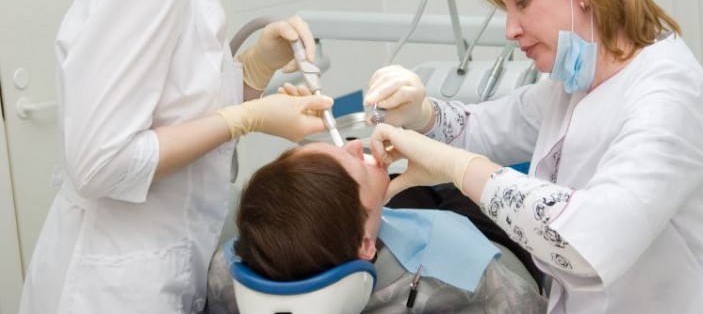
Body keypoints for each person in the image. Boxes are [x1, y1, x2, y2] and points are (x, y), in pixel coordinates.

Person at [19, 0, 355, 313]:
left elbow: (179, 121)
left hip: (155, 271)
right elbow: (98, 163)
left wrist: (254, 71)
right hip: (106, 288)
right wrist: (248, 118)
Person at [364, 0, 703, 313]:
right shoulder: (574, 85)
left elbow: (593, 238)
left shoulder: (669, 93)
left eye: (522, 1)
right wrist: (423, 114)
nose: (510, 29)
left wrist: (460, 168)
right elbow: (482, 128)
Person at [205, 139, 547, 313]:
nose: (356, 144)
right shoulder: (462, 273)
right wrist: (461, 166)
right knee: (459, 190)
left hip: (388, 224)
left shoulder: (228, 273)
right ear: (366, 246)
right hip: (483, 237)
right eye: (354, 162)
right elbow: (526, 304)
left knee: (402, 193)